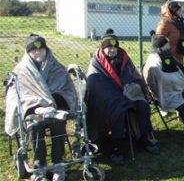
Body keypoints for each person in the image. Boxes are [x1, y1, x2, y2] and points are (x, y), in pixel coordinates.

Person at [5, 34, 77, 181]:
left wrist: (55, 104)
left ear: (46, 50)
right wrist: (37, 106)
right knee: (35, 126)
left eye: (41, 49)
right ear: (28, 52)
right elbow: (15, 95)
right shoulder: (21, 70)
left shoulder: (57, 67)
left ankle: (58, 164)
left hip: (55, 109)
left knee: (58, 124)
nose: (37, 53)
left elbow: (67, 89)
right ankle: (39, 168)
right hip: (33, 110)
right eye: (33, 50)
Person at [85, 34, 160, 165]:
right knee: (119, 109)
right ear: (103, 48)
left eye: (114, 47)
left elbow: (135, 76)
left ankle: (144, 138)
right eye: (108, 47)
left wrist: (140, 89)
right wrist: (116, 96)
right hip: (109, 98)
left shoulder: (124, 58)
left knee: (143, 105)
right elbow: (94, 84)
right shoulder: (96, 62)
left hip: (129, 94)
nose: (112, 50)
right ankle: (116, 146)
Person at [156, 0, 184, 65]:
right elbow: (158, 41)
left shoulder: (179, 23)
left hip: (179, 56)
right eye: (178, 11)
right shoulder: (164, 23)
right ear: (172, 11)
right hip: (169, 58)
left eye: (180, 10)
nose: (180, 12)